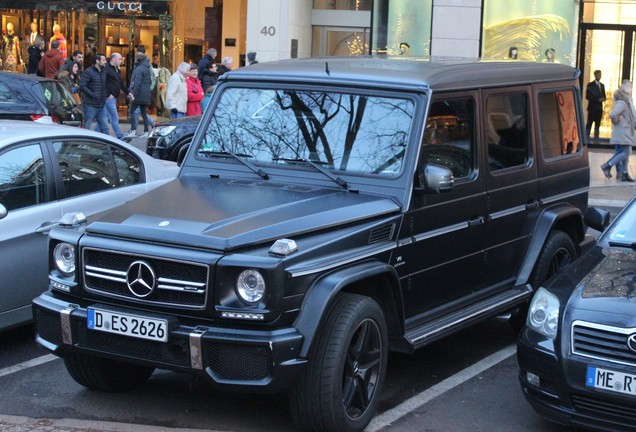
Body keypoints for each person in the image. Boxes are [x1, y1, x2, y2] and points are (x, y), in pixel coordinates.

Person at [601, 80, 636, 182]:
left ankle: (624, 174)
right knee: (626, 152)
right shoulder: (622, 102)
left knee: (624, 152)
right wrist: (617, 119)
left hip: (626, 131)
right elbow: (612, 114)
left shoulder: (627, 101)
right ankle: (607, 165)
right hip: (623, 131)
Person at [105, 52, 133, 140]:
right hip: (109, 98)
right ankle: (120, 137)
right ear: (114, 59)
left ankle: (97, 136)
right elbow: (102, 82)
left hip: (113, 97)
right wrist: (108, 94)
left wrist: (128, 92)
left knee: (103, 118)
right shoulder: (107, 69)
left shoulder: (117, 70)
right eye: (120, 59)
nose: (121, 61)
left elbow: (121, 83)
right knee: (114, 117)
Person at [79, 52, 109, 134]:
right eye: (103, 60)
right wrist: (93, 95)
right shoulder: (88, 72)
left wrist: (106, 94)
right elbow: (82, 86)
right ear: (97, 61)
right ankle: (83, 144)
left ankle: (106, 146)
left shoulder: (104, 71)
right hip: (90, 104)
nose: (105, 61)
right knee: (87, 128)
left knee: (105, 128)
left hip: (101, 104)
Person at [128, 51, 154, 138]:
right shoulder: (147, 67)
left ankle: (133, 130)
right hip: (146, 94)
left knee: (131, 112)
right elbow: (149, 81)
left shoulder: (138, 69)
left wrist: (133, 94)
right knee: (143, 113)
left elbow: (137, 83)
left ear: (137, 58)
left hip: (139, 94)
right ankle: (146, 131)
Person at [586, 70, 606, 145]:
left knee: (597, 125)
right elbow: (588, 96)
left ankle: (596, 140)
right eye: (598, 75)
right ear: (595, 75)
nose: (599, 76)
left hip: (599, 109)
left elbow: (604, 96)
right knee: (589, 124)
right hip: (592, 108)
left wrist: (603, 99)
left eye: (600, 75)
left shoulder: (602, 85)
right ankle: (587, 140)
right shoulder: (590, 85)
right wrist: (597, 100)